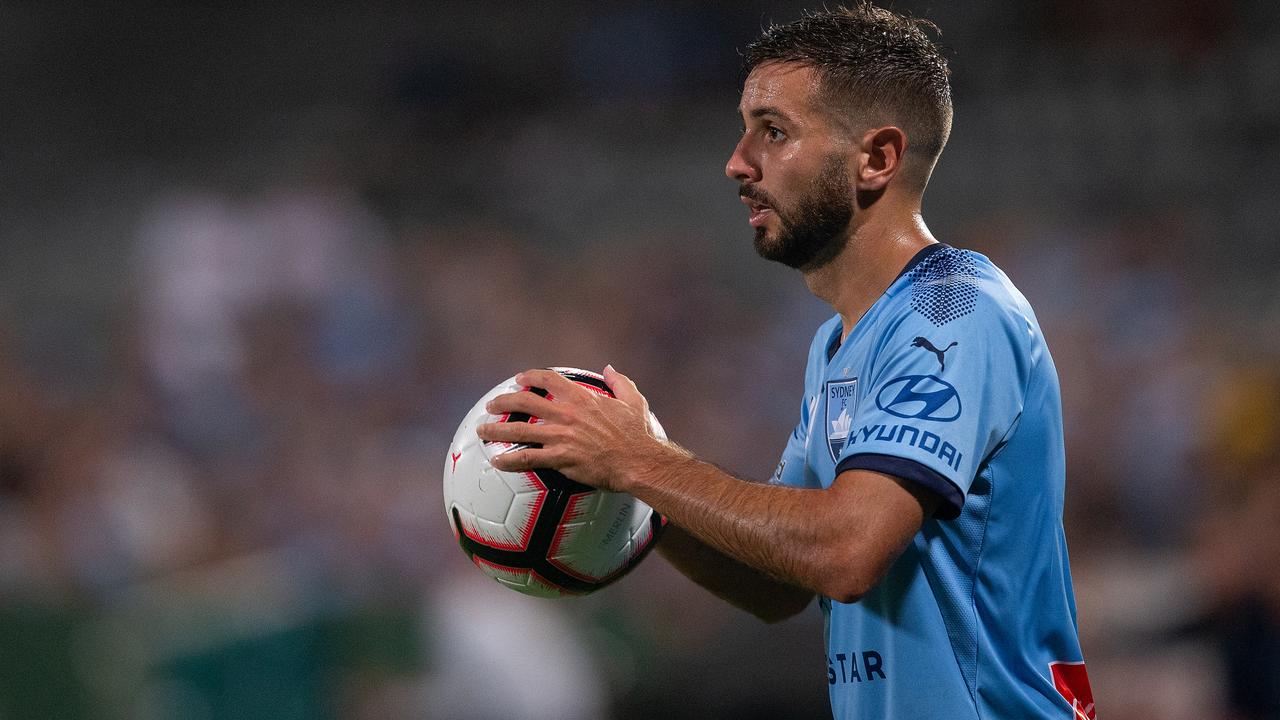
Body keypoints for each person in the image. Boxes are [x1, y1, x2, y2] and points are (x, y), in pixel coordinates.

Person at [477, 4, 1093, 718]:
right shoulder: (838, 343)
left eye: (774, 131)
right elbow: (780, 585)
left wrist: (641, 461)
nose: (737, 162)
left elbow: (847, 551)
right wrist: (640, 492)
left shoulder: (957, 310)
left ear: (877, 158)